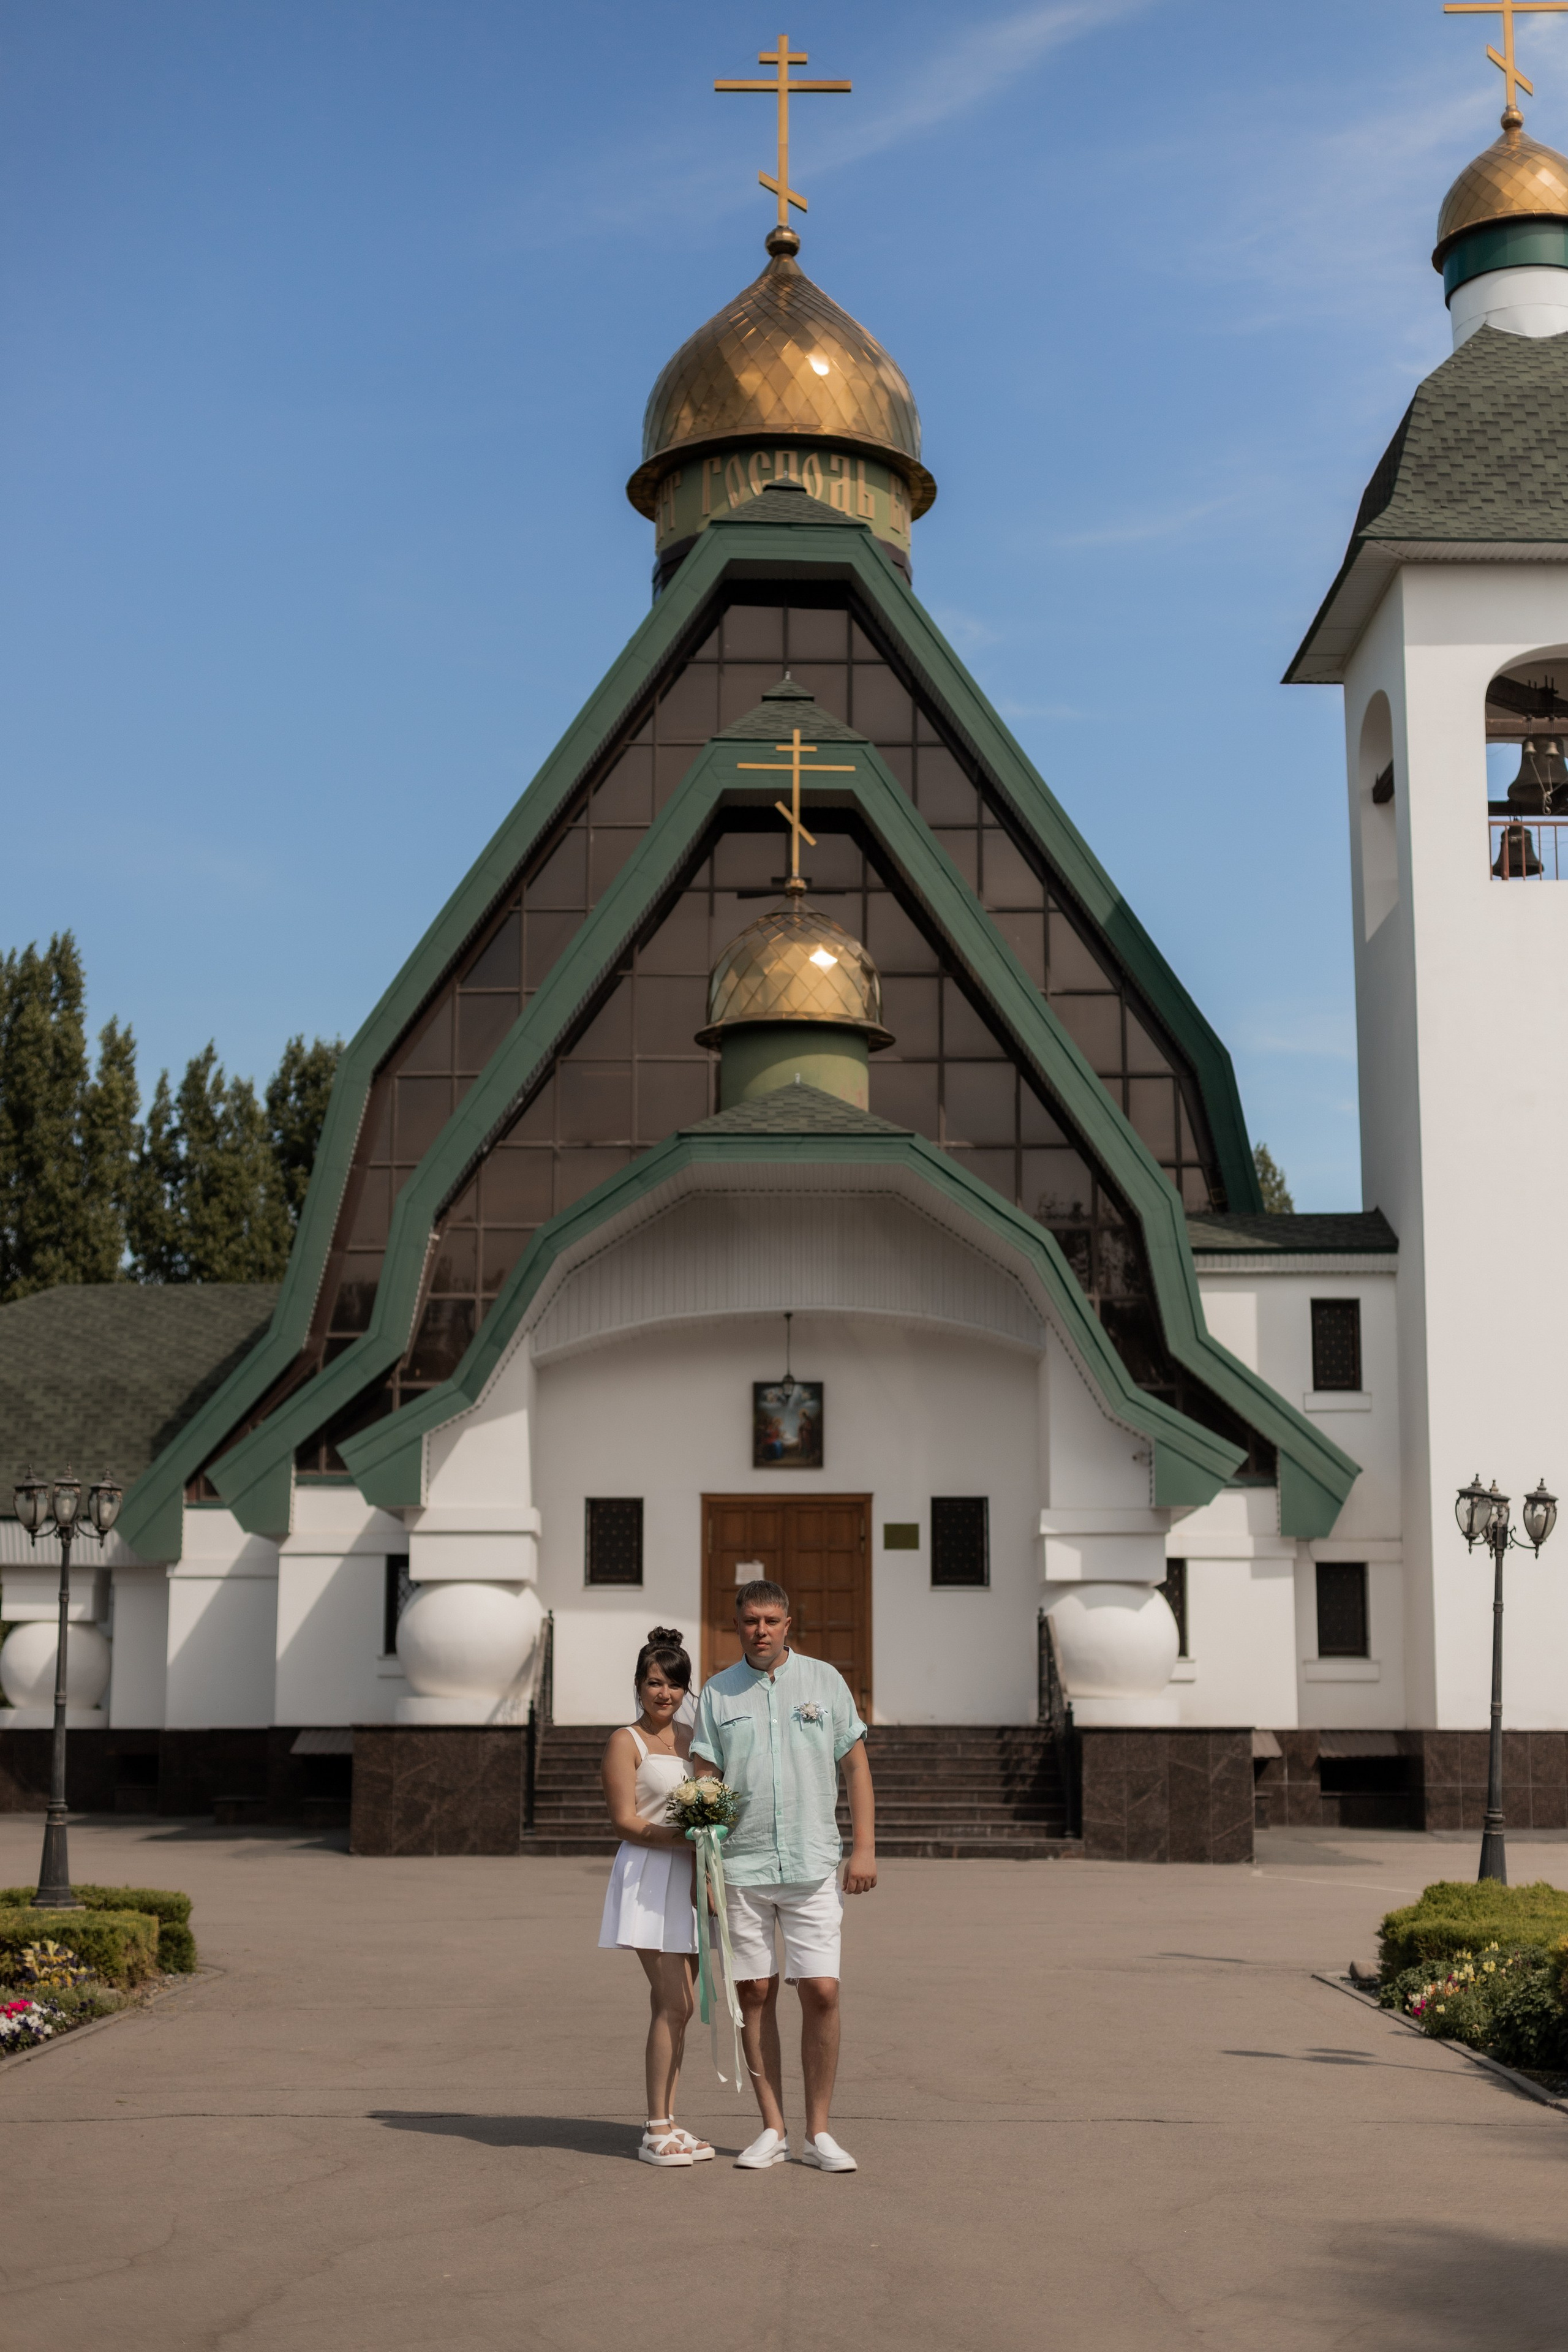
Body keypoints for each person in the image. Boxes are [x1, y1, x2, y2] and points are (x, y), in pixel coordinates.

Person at [691, 1577, 876, 2173]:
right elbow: (705, 1780)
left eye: (771, 1621)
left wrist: (864, 1849)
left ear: (788, 1624)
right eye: (750, 1621)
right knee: (754, 1993)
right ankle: (772, 2127)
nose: (761, 1631)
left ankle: (819, 2133)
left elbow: (855, 1767)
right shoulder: (718, 1693)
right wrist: (706, 1870)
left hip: (811, 1862)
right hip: (741, 1867)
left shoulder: (825, 1681)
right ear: (737, 1624)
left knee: (822, 1989)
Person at [598, 1627, 714, 2169]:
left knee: (678, 2008)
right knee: (676, 2003)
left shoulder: (695, 1739)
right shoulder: (627, 1742)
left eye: (674, 1684)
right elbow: (624, 1821)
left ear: (686, 1690)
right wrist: (681, 1837)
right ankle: (654, 2130)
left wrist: (704, 1848)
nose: (664, 1694)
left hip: (691, 1876)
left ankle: (668, 2117)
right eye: (654, 1683)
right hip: (649, 1874)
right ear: (639, 1686)